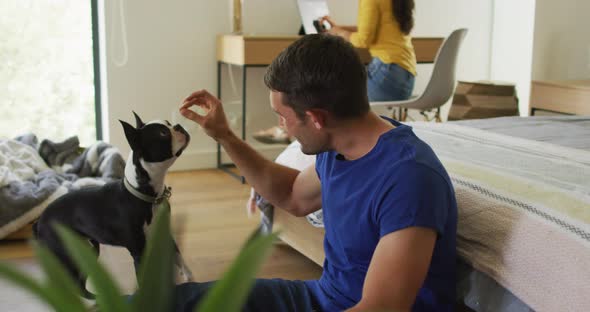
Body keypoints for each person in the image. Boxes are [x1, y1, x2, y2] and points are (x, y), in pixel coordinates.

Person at [177, 34, 457, 311]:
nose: (282, 126)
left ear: (316, 118)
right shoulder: (341, 147)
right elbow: (293, 195)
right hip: (322, 298)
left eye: (283, 116)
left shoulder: (410, 180)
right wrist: (225, 136)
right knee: (181, 302)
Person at [253, 0, 417, 144]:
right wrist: (338, 29)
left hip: (386, 72)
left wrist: (338, 33)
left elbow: (363, 39)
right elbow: (375, 32)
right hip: (402, 75)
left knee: (326, 96)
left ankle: (287, 131)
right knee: (331, 90)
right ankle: (288, 130)